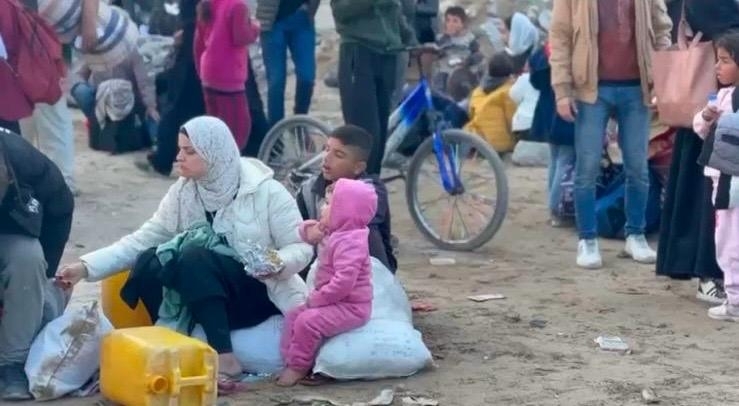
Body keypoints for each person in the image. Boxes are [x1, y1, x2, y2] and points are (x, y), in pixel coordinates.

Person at [57, 116, 312, 392]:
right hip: (208, 294)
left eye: (190, 151)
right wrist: (85, 267)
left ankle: (224, 358)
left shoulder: (266, 192)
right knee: (150, 261)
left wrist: (276, 262)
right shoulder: (184, 193)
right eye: (180, 149)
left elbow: (301, 246)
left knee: (193, 256)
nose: (179, 157)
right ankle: (172, 342)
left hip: (258, 291)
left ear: (214, 153)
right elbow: (141, 240)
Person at [549, 0, 672, 269]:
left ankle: (636, 234)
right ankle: (587, 239)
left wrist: (661, 78)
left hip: (637, 88)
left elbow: (662, 29)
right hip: (591, 89)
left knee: (638, 167)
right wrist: (562, 90)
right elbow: (559, 36)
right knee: (587, 167)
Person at [657, 0, 739, 305]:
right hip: (714, 104)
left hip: (717, 104)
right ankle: (710, 273)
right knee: (713, 196)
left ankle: (715, 273)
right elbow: (721, 23)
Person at [278, 178, 376, 386]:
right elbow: (305, 233)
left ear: (345, 211)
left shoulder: (351, 243)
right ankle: (288, 360)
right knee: (294, 315)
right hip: (332, 300)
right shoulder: (336, 231)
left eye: (329, 203)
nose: (322, 207)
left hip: (351, 306)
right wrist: (310, 229)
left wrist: (317, 300)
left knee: (307, 322)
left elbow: (343, 284)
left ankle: (298, 367)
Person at [0, 128, 73, 401]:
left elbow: (61, 208)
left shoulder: (24, 160)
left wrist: (44, 275)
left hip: (10, 230)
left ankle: (12, 363)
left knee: (28, 256)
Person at [331, 0, 417, 175]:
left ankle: (371, 184)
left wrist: (412, 40)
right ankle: (360, 186)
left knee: (380, 136)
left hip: (387, 54)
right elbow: (340, 11)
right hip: (358, 52)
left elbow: (394, 10)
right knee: (366, 135)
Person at [296, 125, 397, 273]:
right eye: (326, 149)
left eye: (339, 155)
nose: (327, 158)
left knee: (363, 230)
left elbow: (349, 223)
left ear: (358, 167)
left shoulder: (371, 191)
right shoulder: (309, 189)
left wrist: (322, 226)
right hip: (321, 269)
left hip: (368, 272)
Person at [690, 32, 739, 321]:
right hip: (722, 179)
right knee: (725, 237)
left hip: (730, 180)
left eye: (725, 61)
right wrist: (708, 116)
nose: (718, 67)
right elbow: (700, 128)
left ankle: (735, 300)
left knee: (729, 240)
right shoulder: (722, 97)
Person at [194, 0, 260, 149]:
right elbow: (241, 37)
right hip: (229, 76)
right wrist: (255, 27)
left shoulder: (208, 4)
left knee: (216, 128)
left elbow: (198, 43)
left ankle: (214, 158)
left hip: (209, 74)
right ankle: (227, 161)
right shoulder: (237, 6)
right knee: (239, 130)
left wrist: (201, 71)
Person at [71, 47, 160, 145]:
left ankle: (155, 139)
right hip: (102, 101)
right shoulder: (94, 52)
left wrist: (150, 105)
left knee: (152, 117)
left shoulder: (132, 51)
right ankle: (98, 125)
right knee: (80, 91)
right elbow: (77, 75)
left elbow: (144, 83)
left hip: (128, 102)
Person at [529, 42, 576, 227]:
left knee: (555, 161)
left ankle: (553, 207)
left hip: (546, 112)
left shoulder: (542, 52)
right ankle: (557, 209)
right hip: (566, 111)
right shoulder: (570, 51)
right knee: (565, 160)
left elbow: (534, 82)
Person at [256, 0, 320, 125]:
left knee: (307, 77)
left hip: (302, 16)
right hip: (272, 20)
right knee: (276, 81)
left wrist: (311, 9)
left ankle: (299, 121)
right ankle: (276, 130)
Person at [464, 52, 517, 153]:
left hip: (475, 138)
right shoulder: (508, 92)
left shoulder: (477, 92)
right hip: (498, 144)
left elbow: (471, 114)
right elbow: (513, 121)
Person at [432, 6, 481, 93]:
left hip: (462, 72)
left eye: (455, 21)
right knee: (439, 79)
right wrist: (446, 37)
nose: (451, 24)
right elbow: (437, 53)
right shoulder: (441, 38)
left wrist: (468, 61)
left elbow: (478, 55)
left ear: (463, 24)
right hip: (445, 72)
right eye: (448, 20)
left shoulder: (469, 38)